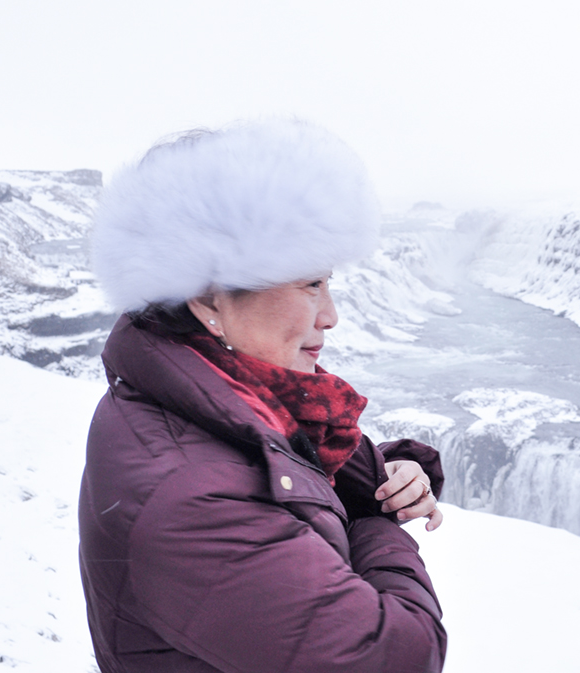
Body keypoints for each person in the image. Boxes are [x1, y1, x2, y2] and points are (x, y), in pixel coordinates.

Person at [78, 120, 447, 673]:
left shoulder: (226, 397)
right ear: (208, 300)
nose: (331, 315)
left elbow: (299, 469)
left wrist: (393, 472)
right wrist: (377, 523)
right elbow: (399, 656)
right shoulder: (192, 502)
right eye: (309, 284)